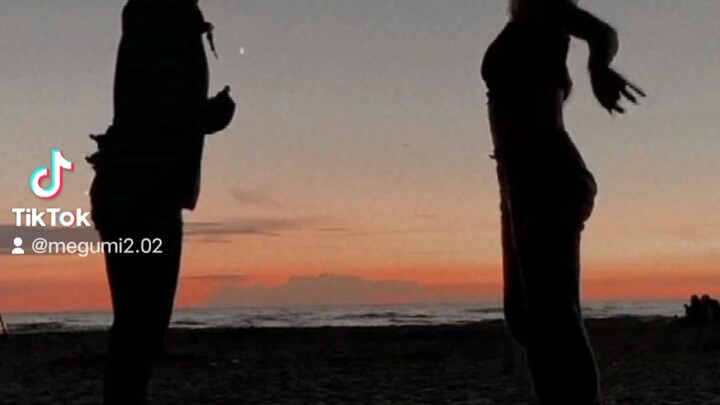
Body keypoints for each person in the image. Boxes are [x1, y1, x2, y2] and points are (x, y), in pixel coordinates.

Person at [481, 1, 644, 404]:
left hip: (546, 176)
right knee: (525, 317)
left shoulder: (543, 8)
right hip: (517, 182)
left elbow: (602, 33)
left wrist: (598, 69)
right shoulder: (523, 19)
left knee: (554, 319)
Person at [87, 1, 235, 403]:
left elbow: (156, 108)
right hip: (141, 195)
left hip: (139, 192)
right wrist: (208, 117)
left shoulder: (158, 23)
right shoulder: (157, 23)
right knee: (140, 324)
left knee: (141, 326)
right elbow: (156, 113)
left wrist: (203, 116)